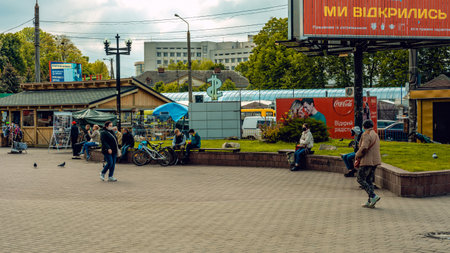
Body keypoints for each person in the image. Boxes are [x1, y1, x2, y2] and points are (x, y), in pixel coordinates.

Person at [355, 119, 381, 208]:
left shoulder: (366, 134)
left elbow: (364, 148)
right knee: (369, 180)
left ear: (364, 127)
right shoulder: (375, 134)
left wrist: (357, 155)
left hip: (367, 161)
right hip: (375, 161)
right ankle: (370, 201)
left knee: (360, 178)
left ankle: (373, 196)